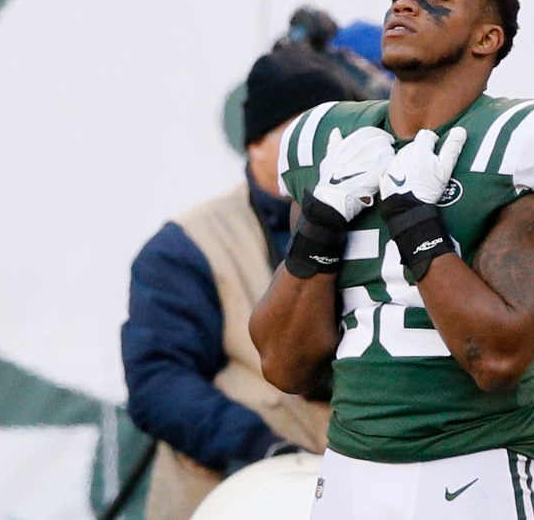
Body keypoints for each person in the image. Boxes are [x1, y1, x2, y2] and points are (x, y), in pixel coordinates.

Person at [248, 0, 534, 520]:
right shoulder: (325, 141)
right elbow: (285, 366)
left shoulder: (527, 139)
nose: (405, 6)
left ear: (486, 39)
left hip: (472, 469)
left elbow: (495, 357)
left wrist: (415, 220)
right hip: (347, 471)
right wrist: (319, 222)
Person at [120, 43, 374, 520]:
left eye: (337, 131)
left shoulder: (381, 222)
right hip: (232, 494)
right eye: (302, 132)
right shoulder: (188, 245)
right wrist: (263, 450)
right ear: (255, 141)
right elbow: (158, 382)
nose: (323, 150)